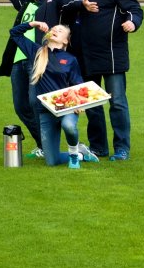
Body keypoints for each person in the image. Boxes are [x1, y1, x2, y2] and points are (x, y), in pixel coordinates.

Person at [58, 0, 142, 161]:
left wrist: (132, 22)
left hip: (111, 55)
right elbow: (67, 8)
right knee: (91, 104)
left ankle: (122, 149)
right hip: (84, 55)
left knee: (117, 103)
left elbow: (134, 9)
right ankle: (99, 148)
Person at [10, 22, 97, 168]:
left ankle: (74, 153)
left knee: (68, 126)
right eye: (53, 29)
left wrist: (78, 104)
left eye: (60, 30)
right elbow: (14, 33)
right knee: (52, 161)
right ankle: (83, 154)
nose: (55, 30)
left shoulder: (70, 59)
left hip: (66, 107)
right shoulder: (36, 51)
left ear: (66, 41)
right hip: (45, 111)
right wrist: (33, 24)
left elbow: (79, 84)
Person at [0, 0, 61, 152]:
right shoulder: (26, 3)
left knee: (36, 103)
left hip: (39, 60)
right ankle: (43, 144)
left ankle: (49, 144)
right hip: (18, 60)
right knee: (21, 106)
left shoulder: (52, 4)